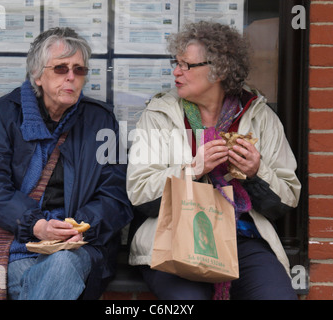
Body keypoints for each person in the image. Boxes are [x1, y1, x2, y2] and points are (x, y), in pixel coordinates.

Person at [126, 21, 301, 300]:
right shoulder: (159, 115)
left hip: (242, 238)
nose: (176, 71)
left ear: (219, 70)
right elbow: (139, 193)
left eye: (186, 65)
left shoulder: (259, 115)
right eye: (176, 62)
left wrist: (256, 173)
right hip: (174, 239)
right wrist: (192, 170)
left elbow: (288, 199)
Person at [0, 27, 133, 300]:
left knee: (61, 265)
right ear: (37, 75)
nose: (71, 77)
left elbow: (116, 194)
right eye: (60, 68)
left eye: (79, 70)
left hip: (79, 245)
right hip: (16, 242)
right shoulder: (7, 113)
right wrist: (36, 225)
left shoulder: (102, 121)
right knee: (42, 281)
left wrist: (80, 225)